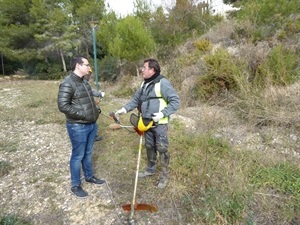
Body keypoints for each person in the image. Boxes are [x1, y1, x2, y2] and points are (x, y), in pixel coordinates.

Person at [116, 58, 180, 188]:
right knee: (149, 146)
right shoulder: (144, 84)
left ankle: (164, 176)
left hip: (159, 124)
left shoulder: (162, 83)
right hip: (145, 122)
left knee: (162, 148)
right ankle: (150, 170)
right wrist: (124, 109)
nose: (142, 70)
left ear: (152, 70)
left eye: (144, 68)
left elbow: (175, 101)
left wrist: (162, 114)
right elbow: (135, 100)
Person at [57, 56, 106, 198]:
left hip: (91, 125)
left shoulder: (84, 81)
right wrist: (83, 115)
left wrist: (94, 112)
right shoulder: (67, 83)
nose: (89, 67)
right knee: (77, 155)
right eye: (86, 64)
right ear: (78, 66)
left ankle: (89, 177)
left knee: (88, 153)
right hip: (77, 126)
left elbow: (89, 99)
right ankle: (75, 185)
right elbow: (63, 105)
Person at [84, 72, 105, 142]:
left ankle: (90, 136)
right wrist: (99, 94)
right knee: (91, 122)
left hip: (86, 106)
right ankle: (92, 136)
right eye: (88, 75)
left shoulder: (81, 81)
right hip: (86, 107)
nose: (89, 77)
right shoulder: (82, 82)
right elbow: (91, 91)